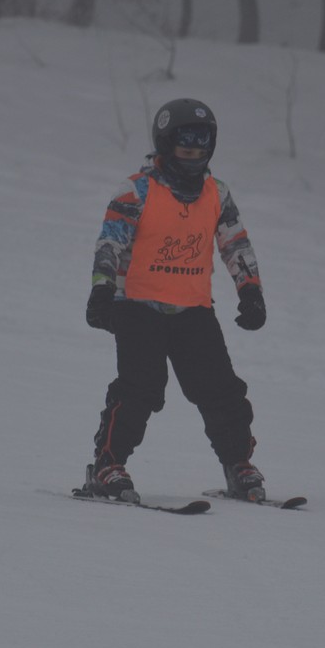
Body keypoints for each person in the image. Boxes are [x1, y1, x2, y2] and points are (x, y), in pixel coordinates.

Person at [82, 98, 268, 503]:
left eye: (201, 148)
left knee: (221, 390)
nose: (193, 156)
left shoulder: (217, 193)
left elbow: (235, 244)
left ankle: (238, 464)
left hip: (193, 311)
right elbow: (110, 242)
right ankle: (108, 465)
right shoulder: (137, 190)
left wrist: (250, 290)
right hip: (136, 306)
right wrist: (101, 289)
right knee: (140, 389)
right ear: (166, 144)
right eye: (185, 147)